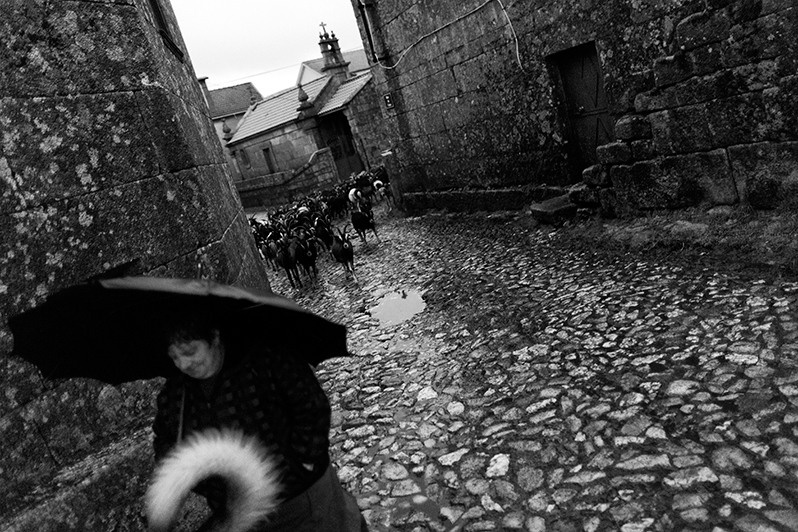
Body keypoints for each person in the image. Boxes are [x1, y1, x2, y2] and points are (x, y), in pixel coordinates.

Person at [151, 311, 368, 531]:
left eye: (190, 351)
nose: (183, 364)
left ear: (214, 337)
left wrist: (303, 462)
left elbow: (311, 406)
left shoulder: (265, 359)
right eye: (174, 356)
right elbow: (165, 443)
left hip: (300, 498)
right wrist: (204, 487)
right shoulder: (175, 394)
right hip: (241, 515)